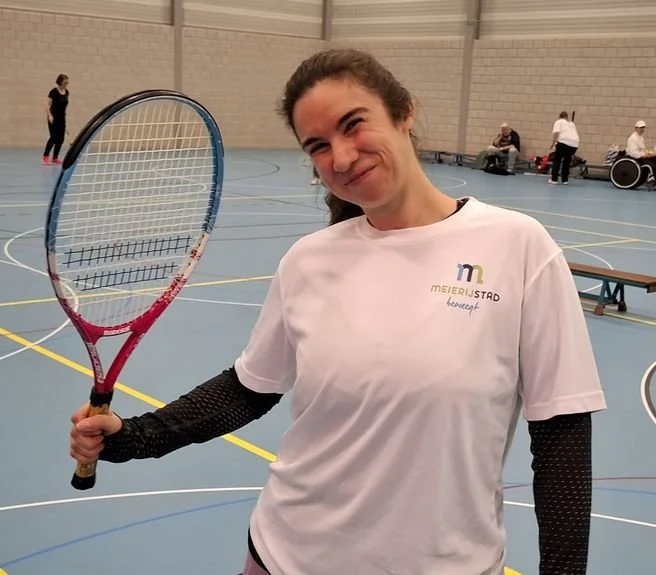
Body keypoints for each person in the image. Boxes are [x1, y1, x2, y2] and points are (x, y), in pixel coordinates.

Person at [69, 48, 606, 575]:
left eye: (354, 125)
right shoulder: (310, 260)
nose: (342, 157)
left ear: (404, 112)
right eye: (318, 146)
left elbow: (561, 435)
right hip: (287, 555)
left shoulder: (518, 246)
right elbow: (249, 389)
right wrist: (135, 436)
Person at [625, 120, 656, 191]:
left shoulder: (641, 137)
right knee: (653, 166)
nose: (642, 129)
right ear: (636, 128)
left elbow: (642, 149)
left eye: (643, 128)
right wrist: (644, 155)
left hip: (641, 156)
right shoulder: (632, 138)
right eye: (640, 128)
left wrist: (648, 154)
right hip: (635, 158)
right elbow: (633, 153)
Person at [43, 74, 69, 164]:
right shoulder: (53, 92)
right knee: (54, 137)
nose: (67, 83)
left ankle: (55, 157)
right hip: (53, 117)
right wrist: (50, 115)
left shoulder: (67, 92)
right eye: (65, 82)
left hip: (62, 118)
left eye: (67, 82)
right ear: (60, 82)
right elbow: (46, 104)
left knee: (61, 138)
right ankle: (45, 156)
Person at [549, 111, 580, 185]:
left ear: (560, 117)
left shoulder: (558, 122)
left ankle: (554, 179)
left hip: (564, 142)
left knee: (557, 160)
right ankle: (565, 180)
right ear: (567, 117)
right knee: (567, 161)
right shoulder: (572, 124)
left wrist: (553, 143)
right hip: (574, 145)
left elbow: (556, 133)